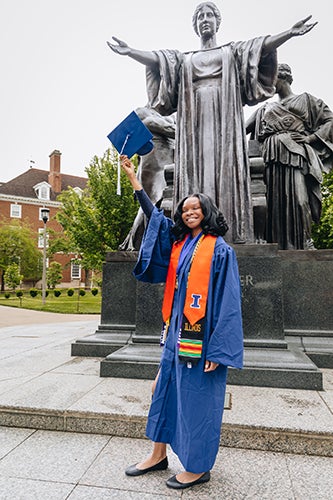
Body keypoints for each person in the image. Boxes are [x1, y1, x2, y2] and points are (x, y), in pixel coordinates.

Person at [108, 3, 317, 244]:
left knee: (226, 170)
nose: (205, 20)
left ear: (218, 22)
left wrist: (289, 33)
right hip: (194, 128)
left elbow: (258, 47)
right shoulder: (184, 59)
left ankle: (229, 229)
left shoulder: (231, 52)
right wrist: (131, 51)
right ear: (195, 26)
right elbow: (159, 60)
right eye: (200, 17)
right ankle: (192, 232)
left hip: (224, 124)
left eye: (210, 15)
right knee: (194, 172)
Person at [120, 154, 243, 490]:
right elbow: (154, 219)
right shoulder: (179, 246)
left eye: (196, 209)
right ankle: (158, 454)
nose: (189, 213)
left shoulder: (220, 251)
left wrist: (219, 351)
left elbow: (230, 304)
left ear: (207, 213)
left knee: (196, 402)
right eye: (185, 209)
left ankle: (198, 466)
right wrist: (133, 179)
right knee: (161, 391)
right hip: (175, 335)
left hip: (202, 341)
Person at [246, 63, 333, 249]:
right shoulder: (265, 108)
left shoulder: (306, 100)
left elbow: (330, 121)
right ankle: (274, 244)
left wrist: (310, 138)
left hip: (295, 155)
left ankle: (303, 242)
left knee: (299, 199)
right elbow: (240, 127)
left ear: (283, 77)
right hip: (269, 158)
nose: (268, 82)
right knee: (273, 203)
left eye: (272, 77)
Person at [119, 106, 176, 251]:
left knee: (153, 204)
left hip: (167, 163)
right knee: (153, 203)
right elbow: (175, 131)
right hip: (153, 166)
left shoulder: (167, 116)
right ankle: (137, 243)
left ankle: (135, 243)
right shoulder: (148, 118)